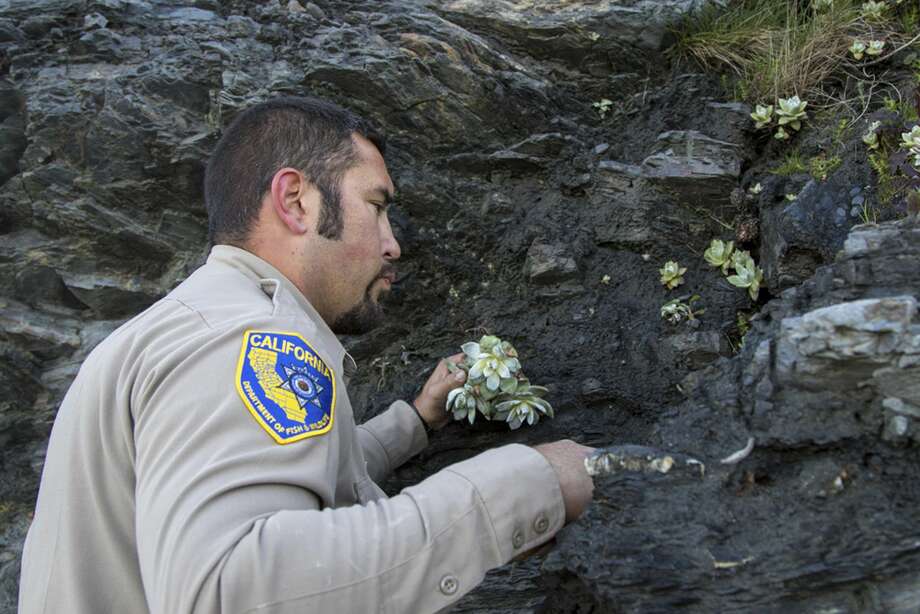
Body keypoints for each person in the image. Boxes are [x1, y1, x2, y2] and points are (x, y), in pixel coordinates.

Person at [18, 96, 594, 613]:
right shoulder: (249, 337)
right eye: (376, 205)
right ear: (296, 201)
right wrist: (528, 486)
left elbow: (292, 472)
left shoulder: (191, 324)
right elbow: (226, 588)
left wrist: (415, 421)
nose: (393, 243)